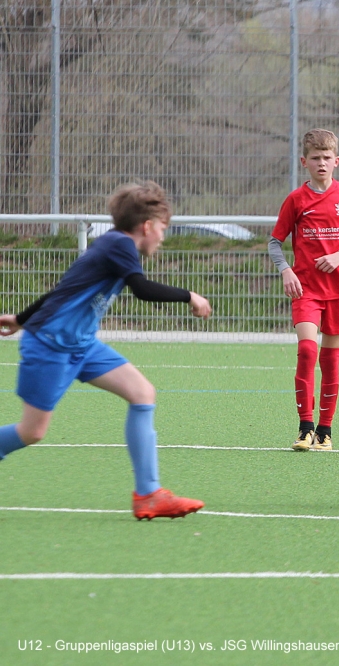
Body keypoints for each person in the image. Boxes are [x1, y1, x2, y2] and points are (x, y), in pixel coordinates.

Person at [0, 181, 211, 520]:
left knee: (142, 393)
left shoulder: (114, 245)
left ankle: (149, 495)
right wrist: (189, 296)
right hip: (51, 345)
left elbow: (62, 291)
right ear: (147, 226)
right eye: (163, 228)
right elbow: (142, 289)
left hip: (82, 344)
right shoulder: (120, 244)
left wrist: (20, 318)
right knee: (32, 431)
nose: (163, 237)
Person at [270, 129, 339, 452]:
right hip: (306, 289)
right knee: (307, 351)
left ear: (336, 161)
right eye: (315, 158)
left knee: (330, 360)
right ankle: (305, 428)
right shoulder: (296, 200)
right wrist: (286, 270)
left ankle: (325, 431)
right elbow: (275, 242)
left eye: (327, 157)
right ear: (304, 162)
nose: (321, 163)